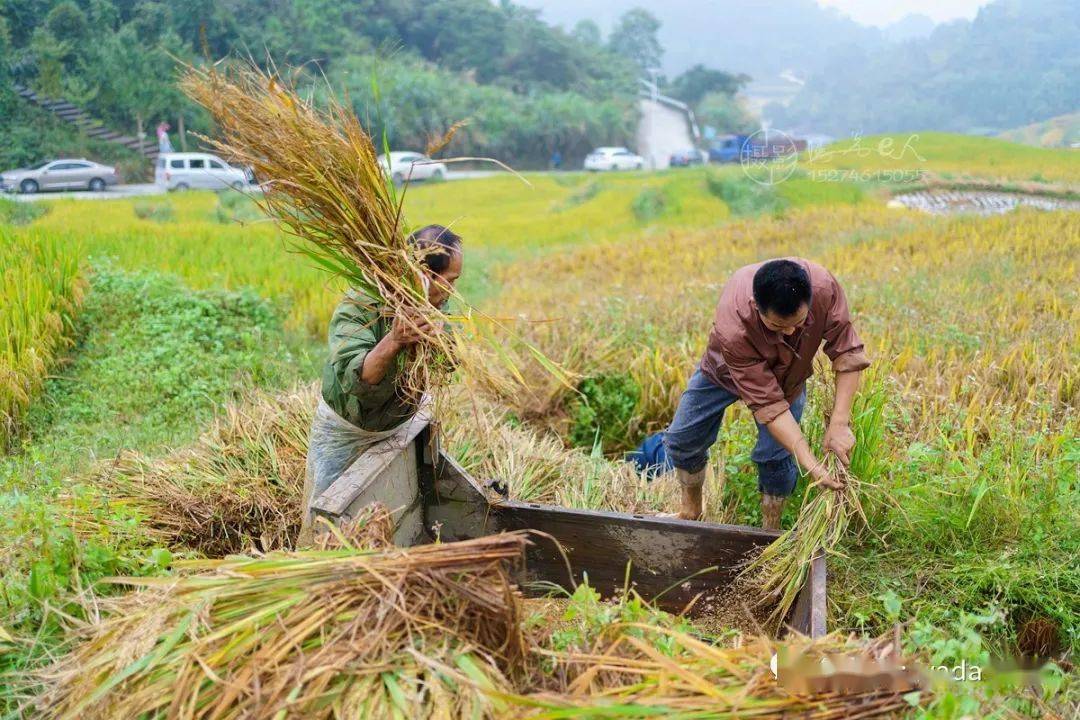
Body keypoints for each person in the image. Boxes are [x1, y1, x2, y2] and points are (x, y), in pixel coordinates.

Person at [628, 258, 870, 529]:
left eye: (799, 323)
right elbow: (768, 403)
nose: (790, 332)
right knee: (684, 438)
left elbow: (847, 351)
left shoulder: (824, 287)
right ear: (757, 308)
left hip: (789, 378)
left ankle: (770, 530)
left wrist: (839, 423)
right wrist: (810, 463)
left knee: (774, 456)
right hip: (723, 371)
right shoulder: (734, 324)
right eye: (778, 327)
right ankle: (690, 511)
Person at [299, 225, 463, 542]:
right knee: (326, 525)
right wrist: (395, 340)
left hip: (397, 429)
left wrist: (439, 336)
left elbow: (449, 363)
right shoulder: (363, 303)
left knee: (388, 521)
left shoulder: (432, 308)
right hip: (350, 432)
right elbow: (355, 377)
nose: (453, 291)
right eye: (451, 281)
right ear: (424, 275)